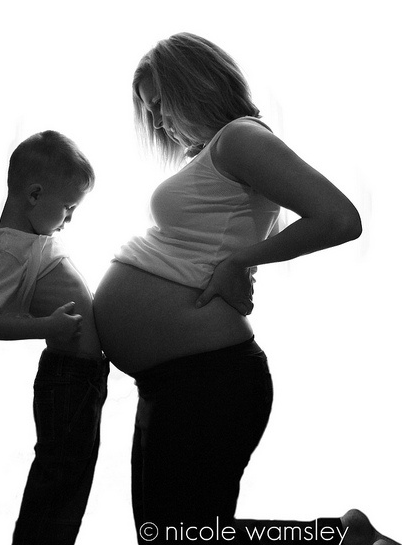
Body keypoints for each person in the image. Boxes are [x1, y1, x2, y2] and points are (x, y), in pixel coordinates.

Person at [93, 33, 396, 544]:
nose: (160, 120)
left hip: (208, 380)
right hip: (173, 379)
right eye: (150, 111)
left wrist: (242, 259)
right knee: (165, 535)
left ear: (194, 82)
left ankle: (346, 540)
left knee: (184, 535)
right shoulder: (214, 152)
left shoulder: (240, 138)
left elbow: (340, 218)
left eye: (161, 103)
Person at [0, 130, 108, 545]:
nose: (70, 218)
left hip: (82, 376)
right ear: (33, 196)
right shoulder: (10, 248)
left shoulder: (30, 239)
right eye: (67, 207)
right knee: (58, 484)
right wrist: (46, 327)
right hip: (68, 378)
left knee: (69, 482)